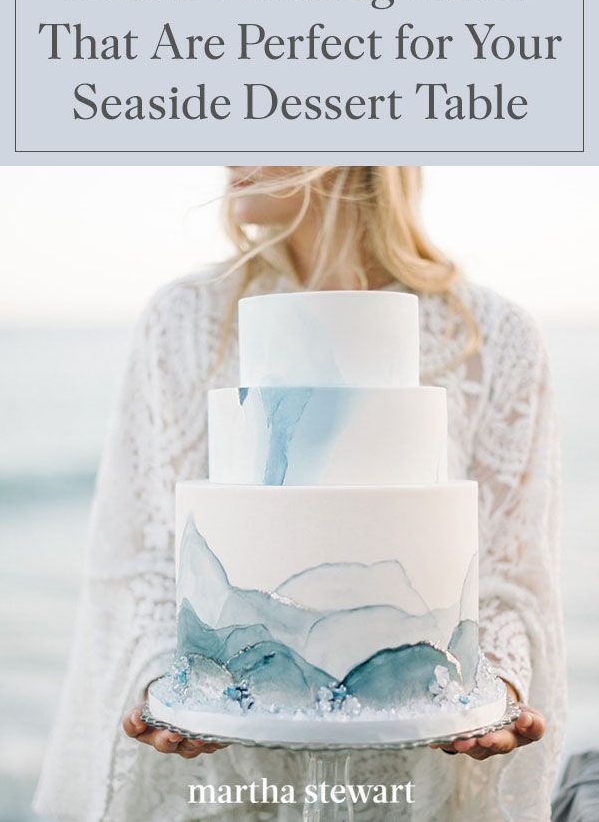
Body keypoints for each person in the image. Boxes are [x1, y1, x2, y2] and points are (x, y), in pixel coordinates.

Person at [34, 167, 566, 821]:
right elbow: (139, 557)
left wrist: (497, 690)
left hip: (410, 787)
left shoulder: (496, 338)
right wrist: (162, 685)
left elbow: (512, 579)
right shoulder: (183, 321)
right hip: (227, 791)